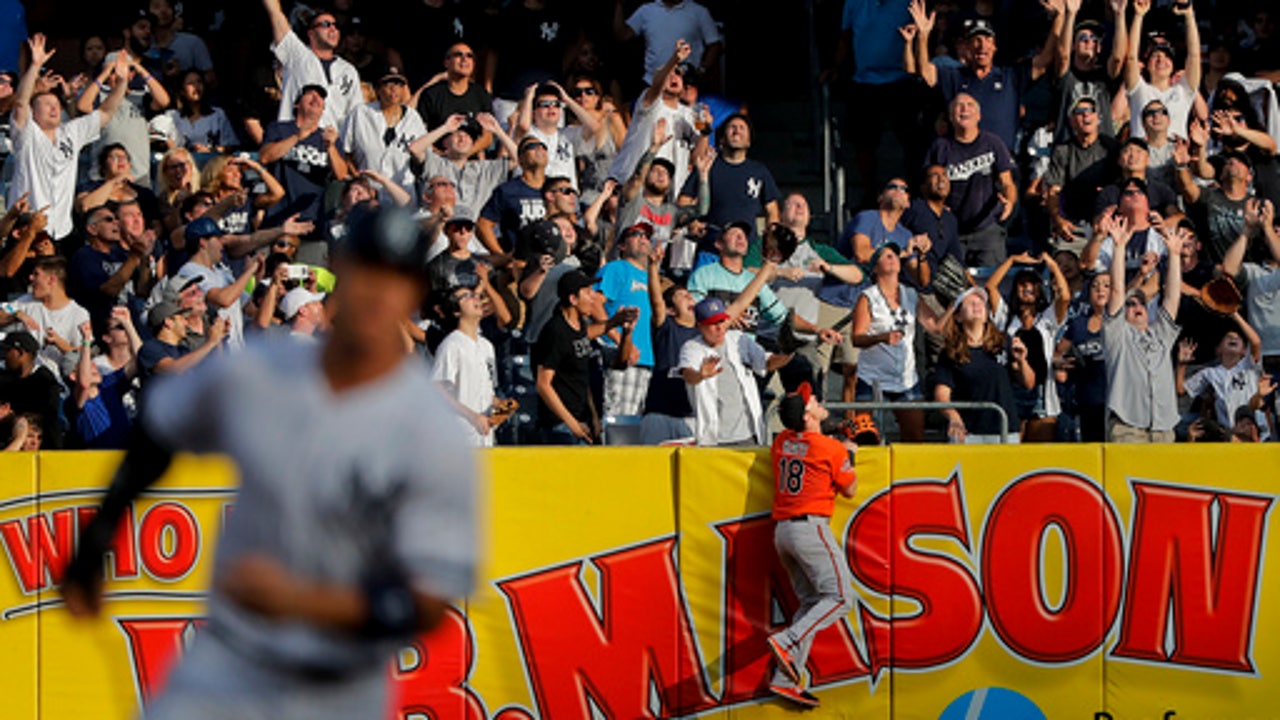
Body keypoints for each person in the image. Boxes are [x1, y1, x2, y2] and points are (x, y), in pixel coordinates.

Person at [60, 205, 477, 720]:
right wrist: (96, 542)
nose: (377, 290)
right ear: (340, 274)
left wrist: (296, 602)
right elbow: (162, 427)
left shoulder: (429, 430)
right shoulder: (263, 372)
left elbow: (426, 601)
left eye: (393, 277)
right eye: (367, 269)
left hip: (341, 688)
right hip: (228, 666)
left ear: (414, 293)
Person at [764, 381, 857, 709]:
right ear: (806, 415)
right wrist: (851, 454)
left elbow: (804, 442)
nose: (817, 400)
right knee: (841, 598)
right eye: (812, 400)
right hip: (810, 530)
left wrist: (835, 440)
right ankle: (786, 641)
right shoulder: (831, 449)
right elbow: (850, 490)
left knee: (809, 603)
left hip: (783, 534)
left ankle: (784, 680)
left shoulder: (781, 440)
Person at [6, 36, 129, 241]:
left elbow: (106, 113)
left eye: (56, 104)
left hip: (62, 230)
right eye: (46, 104)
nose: (54, 108)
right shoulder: (26, 134)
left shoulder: (71, 132)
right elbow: (20, 103)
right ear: (34, 113)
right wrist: (35, 66)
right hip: (27, 228)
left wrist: (122, 83)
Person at [1102, 211, 1183, 442]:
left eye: (1141, 303)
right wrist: (1119, 248)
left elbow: (1172, 298)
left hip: (1164, 426)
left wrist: (1175, 256)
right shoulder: (1116, 336)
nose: (1137, 306)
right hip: (1128, 427)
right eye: (1131, 304)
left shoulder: (1161, 335)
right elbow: (1117, 291)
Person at [851, 243, 941, 442]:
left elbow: (935, 326)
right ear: (875, 268)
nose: (893, 258)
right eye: (886, 255)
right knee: (866, 439)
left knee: (916, 437)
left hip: (905, 378)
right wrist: (881, 337)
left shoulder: (910, 294)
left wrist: (954, 305)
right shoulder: (868, 297)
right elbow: (856, 338)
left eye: (894, 255)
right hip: (872, 378)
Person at [679, 296, 793, 446]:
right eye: (712, 324)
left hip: (749, 433)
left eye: (721, 321)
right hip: (715, 438)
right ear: (699, 326)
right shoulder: (692, 347)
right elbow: (688, 374)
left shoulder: (738, 339)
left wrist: (789, 352)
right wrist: (700, 375)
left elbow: (766, 362)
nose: (719, 328)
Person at [923, 93, 1017, 267]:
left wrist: (1009, 201)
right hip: (952, 231)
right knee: (952, 287)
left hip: (987, 229)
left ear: (979, 115)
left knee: (990, 286)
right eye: (959, 105)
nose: (964, 108)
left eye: (970, 104)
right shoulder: (940, 147)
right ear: (951, 117)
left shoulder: (993, 143)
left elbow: (1007, 182)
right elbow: (928, 185)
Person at [934, 287, 1034, 443]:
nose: (977, 305)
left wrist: (1022, 361)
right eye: (970, 302)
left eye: (981, 302)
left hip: (1004, 430)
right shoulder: (950, 352)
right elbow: (942, 393)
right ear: (958, 316)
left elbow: (1028, 383)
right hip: (967, 432)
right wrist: (953, 416)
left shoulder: (1004, 342)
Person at [263, 0, 361, 129]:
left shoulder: (348, 70)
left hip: (333, 144)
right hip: (295, 141)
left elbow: (356, 115)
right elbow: (275, 13)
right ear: (311, 33)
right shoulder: (296, 54)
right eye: (326, 24)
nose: (333, 29)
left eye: (335, 25)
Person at [1123, 0, 1201, 140]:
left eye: (1166, 57)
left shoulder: (1183, 90)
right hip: (1143, 155)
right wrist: (1138, 16)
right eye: (1155, 56)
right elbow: (1131, 57)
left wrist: (1189, 15)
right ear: (1146, 64)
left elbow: (1194, 56)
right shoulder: (1139, 89)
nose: (1161, 60)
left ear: (1173, 65)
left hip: (1174, 155)